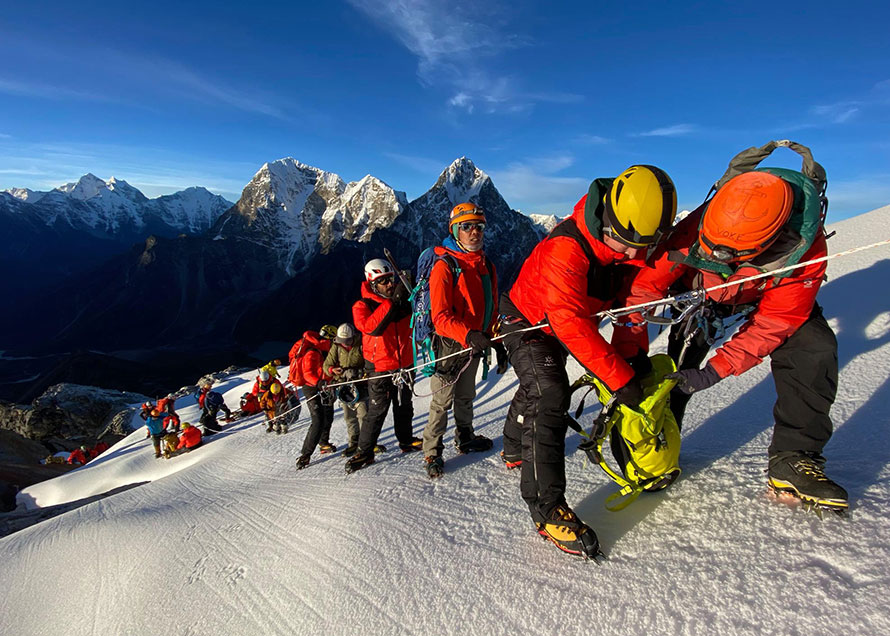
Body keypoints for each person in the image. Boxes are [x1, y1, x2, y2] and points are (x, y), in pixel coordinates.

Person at [612, 169, 847, 512]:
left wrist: (716, 371)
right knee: (674, 375)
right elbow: (645, 288)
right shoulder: (706, 218)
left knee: (813, 349)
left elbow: (775, 322)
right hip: (702, 298)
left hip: (764, 300)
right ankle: (653, 456)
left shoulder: (804, 249)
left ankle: (793, 459)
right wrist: (630, 351)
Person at [499, 165, 677, 558]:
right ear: (607, 220)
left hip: (561, 320)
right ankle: (546, 509)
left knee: (538, 384)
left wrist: (632, 354)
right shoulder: (567, 247)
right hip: (526, 317)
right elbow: (569, 322)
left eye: (641, 245)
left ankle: (513, 446)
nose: (633, 254)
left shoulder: (632, 239)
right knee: (549, 391)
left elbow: (634, 302)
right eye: (626, 244)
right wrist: (619, 376)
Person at [420, 202, 506, 478]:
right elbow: (440, 317)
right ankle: (432, 451)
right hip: (450, 343)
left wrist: (496, 338)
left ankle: (465, 436)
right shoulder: (445, 267)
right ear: (455, 230)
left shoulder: (486, 266)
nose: (474, 232)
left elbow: (490, 309)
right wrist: (469, 334)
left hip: (475, 341)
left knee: (466, 395)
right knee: (442, 401)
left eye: (478, 226)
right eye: (466, 226)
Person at [346, 258, 421, 473]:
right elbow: (371, 328)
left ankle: (405, 440)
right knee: (377, 409)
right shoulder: (362, 306)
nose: (389, 284)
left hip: (404, 363)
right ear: (372, 284)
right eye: (383, 281)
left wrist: (410, 292)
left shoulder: (400, 301)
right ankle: (365, 451)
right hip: (379, 367)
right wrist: (392, 302)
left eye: (391, 280)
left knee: (404, 406)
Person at [323, 323, 368, 456]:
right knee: (349, 416)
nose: (345, 344)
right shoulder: (336, 346)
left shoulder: (361, 344)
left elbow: (370, 363)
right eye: (343, 342)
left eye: (347, 341)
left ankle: (366, 443)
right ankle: (353, 443)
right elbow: (326, 365)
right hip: (344, 386)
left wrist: (359, 372)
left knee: (363, 414)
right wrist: (332, 370)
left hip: (360, 385)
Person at [295, 328, 337, 469]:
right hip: (312, 387)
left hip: (323, 386)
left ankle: (323, 443)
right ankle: (305, 454)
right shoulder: (313, 351)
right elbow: (308, 373)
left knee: (328, 415)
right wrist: (319, 383)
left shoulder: (324, 351)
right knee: (318, 419)